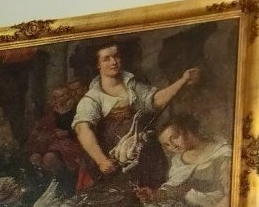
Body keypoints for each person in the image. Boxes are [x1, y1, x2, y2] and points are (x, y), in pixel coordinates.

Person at [71, 40, 200, 190]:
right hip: (116, 159)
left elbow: (155, 100)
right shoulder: (93, 97)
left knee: (154, 189)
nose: (113, 62)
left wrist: (183, 80)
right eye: (106, 59)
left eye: (116, 56)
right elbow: (82, 129)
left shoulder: (131, 85)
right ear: (97, 65)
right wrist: (101, 161)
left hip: (144, 150)